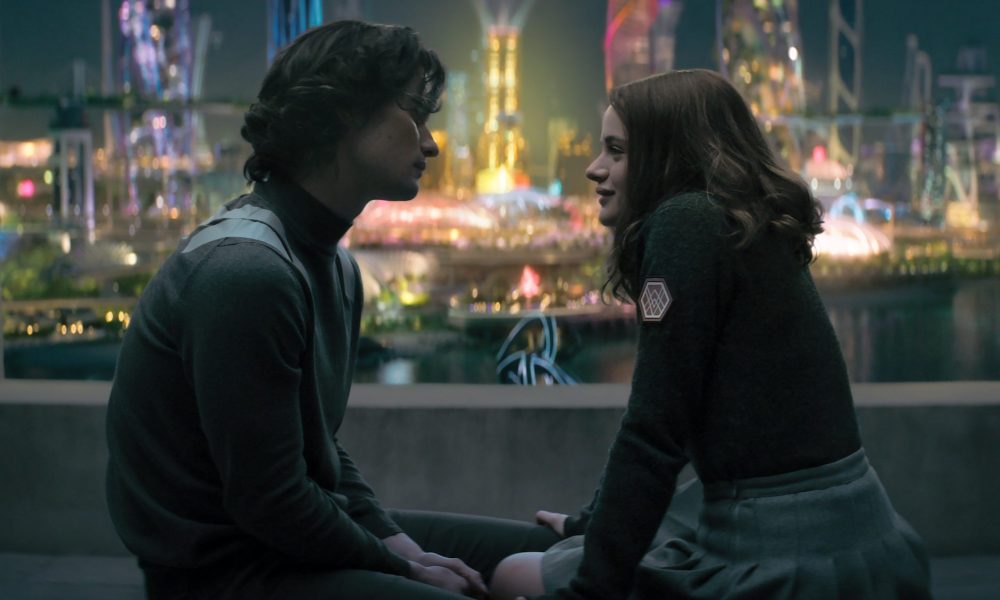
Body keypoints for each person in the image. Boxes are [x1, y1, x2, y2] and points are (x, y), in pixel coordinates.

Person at [105, 21, 558, 600]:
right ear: (343, 115)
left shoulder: (332, 265)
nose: (430, 144)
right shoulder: (245, 272)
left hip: (283, 541)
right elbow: (269, 501)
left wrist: (402, 549)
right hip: (223, 573)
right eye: (414, 116)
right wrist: (406, 569)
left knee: (549, 556)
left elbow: (317, 452)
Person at [489, 69, 931, 600]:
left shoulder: (685, 222)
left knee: (513, 573)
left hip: (785, 561)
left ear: (666, 157)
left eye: (616, 151)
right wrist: (594, 525)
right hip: (861, 543)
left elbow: (653, 431)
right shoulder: (741, 222)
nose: (593, 168)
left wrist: (589, 589)